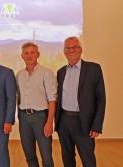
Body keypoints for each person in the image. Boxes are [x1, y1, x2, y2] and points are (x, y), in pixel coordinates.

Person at [55, 36, 106, 167]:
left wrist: (96, 125)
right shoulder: (61, 72)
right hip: (64, 122)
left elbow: (101, 99)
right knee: (67, 159)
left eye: (74, 47)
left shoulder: (93, 69)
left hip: (84, 123)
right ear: (64, 51)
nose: (71, 50)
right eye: (68, 48)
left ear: (80, 50)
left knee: (88, 159)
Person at [16, 42, 57, 167]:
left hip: (41, 118)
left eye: (32, 52)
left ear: (38, 54)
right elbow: (18, 97)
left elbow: (52, 99)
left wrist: (50, 122)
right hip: (24, 118)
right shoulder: (19, 75)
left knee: (46, 156)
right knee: (29, 155)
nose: (29, 56)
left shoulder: (46, 73)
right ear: (22, 56)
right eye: (26, 53)